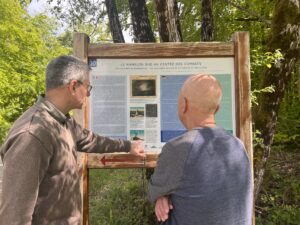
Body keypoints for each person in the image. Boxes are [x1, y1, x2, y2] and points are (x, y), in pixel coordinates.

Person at [0, 55, 145, 225]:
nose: (89, 94)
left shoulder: (62, 121)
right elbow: (14, 214)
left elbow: (90, 140)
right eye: (88, 87)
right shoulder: (33, 134)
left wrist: (129, 146)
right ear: (73, 86)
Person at [148, 74, 252, 225]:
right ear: (217, 108)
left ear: (184, 104)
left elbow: (154, 190)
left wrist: (162, 195)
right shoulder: (237, 145)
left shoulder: (178, 148)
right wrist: (163, 195)